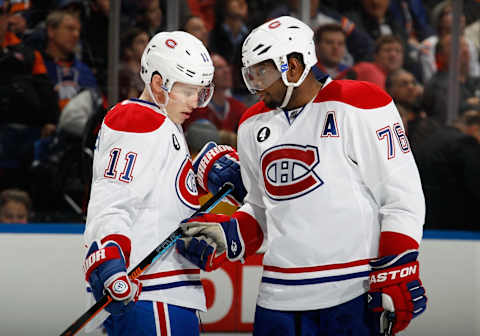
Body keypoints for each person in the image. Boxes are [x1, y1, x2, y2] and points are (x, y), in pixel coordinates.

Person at [176, 16, 427, 335]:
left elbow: (401, 198)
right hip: (276, 299)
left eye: (262, 72)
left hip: (350, 292)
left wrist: (399, 266)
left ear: (293, 67)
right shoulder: (253, 123)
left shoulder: (359, 103)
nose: (255, 84)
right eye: (250, 74)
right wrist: (231, 233)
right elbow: (260, 207)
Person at [82, 31, 214, 335]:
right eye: (187, 91)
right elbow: (112, 199)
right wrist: (109, 259)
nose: (195, 101)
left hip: (162, 294)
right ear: (157, 83)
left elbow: (161, 202)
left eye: (200, 92)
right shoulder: (138, 119)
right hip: (149, 295)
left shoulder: (164, 124)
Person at [415, 110, 480, 231]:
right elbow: (475, 181)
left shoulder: (434, 138)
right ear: (475, 128)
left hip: (426, 218)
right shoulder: (466, 142)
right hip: (454, 221)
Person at [183, 53, 248, 147]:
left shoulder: (239, 108)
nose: (227, 71)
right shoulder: (193, 108)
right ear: (206, 74)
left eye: (227, 66)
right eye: (219, 68)